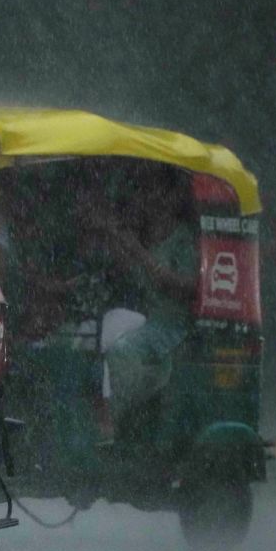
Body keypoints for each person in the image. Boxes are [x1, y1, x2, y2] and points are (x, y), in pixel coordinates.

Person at [90, 166, 200, 442]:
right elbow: (133, 271)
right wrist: (112, 234)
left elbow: (179, 284)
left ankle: (122, 419)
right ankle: (107, 412)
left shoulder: (183, 238)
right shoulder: (149, 233)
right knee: (100, 330)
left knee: (122, 350)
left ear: (171, 197)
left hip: (172, 325)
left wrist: (135, 248)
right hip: (148, 317)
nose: (147, 197)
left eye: (153, 190)